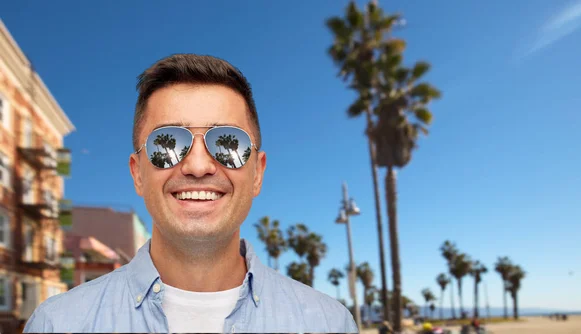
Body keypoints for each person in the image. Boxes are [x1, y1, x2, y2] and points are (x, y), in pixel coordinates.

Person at [24, 54, 358, 333]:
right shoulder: (57, 324)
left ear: (258, 172)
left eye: (229, 143)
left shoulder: (329, 323)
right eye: (166, 144)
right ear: (137, 173)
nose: (198, 165)